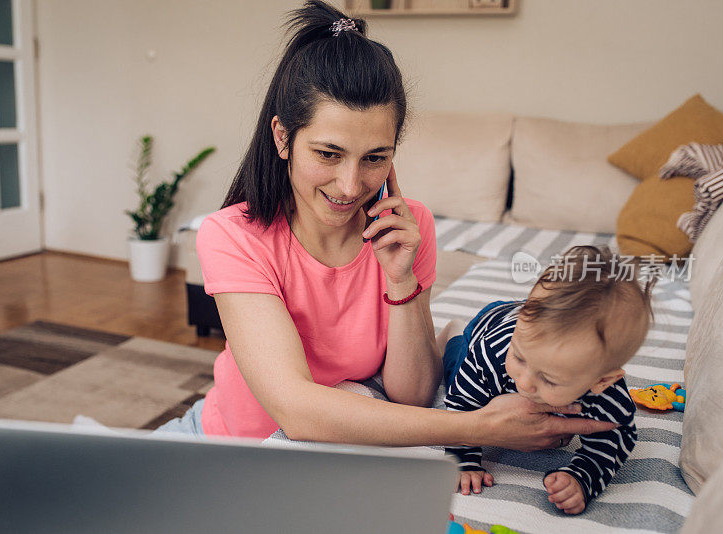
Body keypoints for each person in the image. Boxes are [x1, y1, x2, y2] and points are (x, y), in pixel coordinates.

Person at [157, 0, 617, 452]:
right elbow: (295, 410)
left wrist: (402, 279)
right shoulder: (232, 234)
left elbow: (413, 394)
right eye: (328, 153)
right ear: (283, 138)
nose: (350, 184)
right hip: (225, 449)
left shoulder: (409, 227)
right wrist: (476, 428)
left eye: (375, 158)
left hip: (332, 462)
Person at [443, 246, 655, 514]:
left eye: (549, 380)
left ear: (601, 381)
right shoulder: (494, 351)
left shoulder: (607, 396)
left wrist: (582, 477)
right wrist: (464, 460)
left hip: (524, 328)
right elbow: (461, 402)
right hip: (487, 326)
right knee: (453, 375)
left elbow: (617, 436)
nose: (525, 383)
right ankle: (453, 334)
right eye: (519, 360)